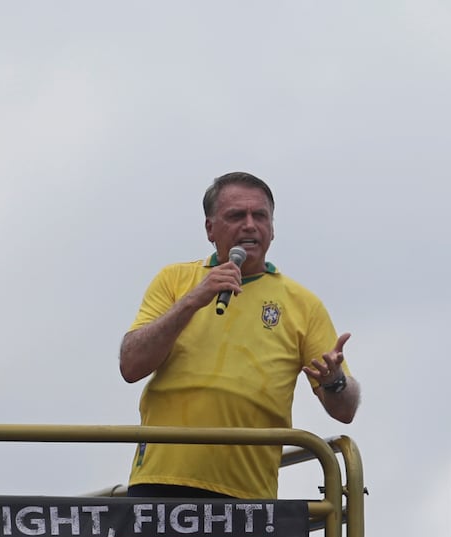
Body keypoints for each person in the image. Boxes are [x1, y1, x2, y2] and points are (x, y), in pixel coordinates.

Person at [119, 171, 360, 499]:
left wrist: (334, 381)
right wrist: (192, 300)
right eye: (236, 216)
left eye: (259, 216)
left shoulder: (303, 304)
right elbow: (131, 365)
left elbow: (345, 410)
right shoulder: (174, 280)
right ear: (210, 228)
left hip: (247, 497)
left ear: (272, 229)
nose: (249, 225)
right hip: (161, 484)